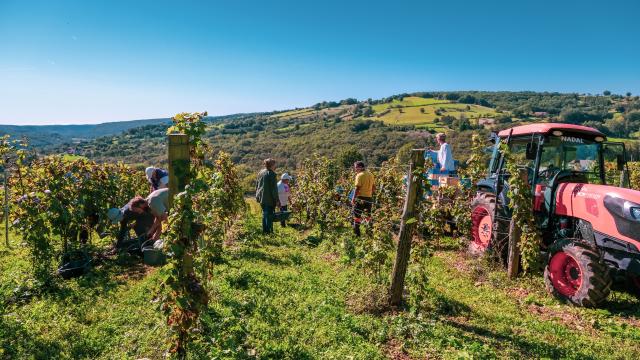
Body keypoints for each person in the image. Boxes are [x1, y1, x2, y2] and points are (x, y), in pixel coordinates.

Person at [351, 161, 375, 236]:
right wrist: (370, 193)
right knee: (368, 216)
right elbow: (374, 187)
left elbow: (357, 188)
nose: (355, 170)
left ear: (360, 167)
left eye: (356, 168)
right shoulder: (371, 174)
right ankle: (370, 233)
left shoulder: (359, 175)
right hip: (369, 198)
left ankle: (357, 234)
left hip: (360, 198)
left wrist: (353, 198)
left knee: (357, 216)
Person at [256, 159, 279, 234]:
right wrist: (277, 200)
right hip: (269, 199)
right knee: (269, 215)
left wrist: (257, 195)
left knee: (264, 214)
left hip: (261, 197)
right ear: (272, 165)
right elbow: (274, 189)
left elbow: (257, 184)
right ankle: (269, 232)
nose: (275, 166)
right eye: (274, 164)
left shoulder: (261, 172)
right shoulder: (272, 174)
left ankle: (265, 231)